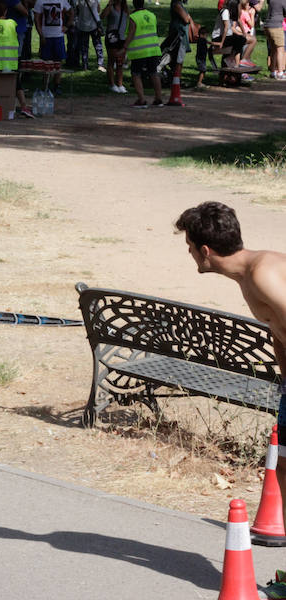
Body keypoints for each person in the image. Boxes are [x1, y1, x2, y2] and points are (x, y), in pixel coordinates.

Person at [174, 202, 286, 600]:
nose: (189, 253)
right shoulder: (252, 273)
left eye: (189, 246)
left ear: (205, 250)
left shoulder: (263, 274)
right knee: (285, 469)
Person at [123, 0, 164, 106]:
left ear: (134, 3)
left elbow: (131, 33)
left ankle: (141, 100)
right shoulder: (152, 15)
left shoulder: (134, 17)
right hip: (153, 49)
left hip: (139, 51)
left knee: (136, 74)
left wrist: (124, 47)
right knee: (154, 73)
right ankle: (158, 99)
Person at [34, 0, 72, 93]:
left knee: (58, 62)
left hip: (58, 36)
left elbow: (71, 12)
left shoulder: (62, 0)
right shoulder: (40, 1)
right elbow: (36, 19)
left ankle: (57, 85)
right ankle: (45, 85)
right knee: (46, 63)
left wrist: (67, 26)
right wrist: (41, 35)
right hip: (46, 36)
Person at [164, 0, 195, 105]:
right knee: (178, 60)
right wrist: (189, 17)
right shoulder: (176, 4)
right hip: (178, 35)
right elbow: (186, 19)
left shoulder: (179, 4)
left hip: (181, 34)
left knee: (178, 60)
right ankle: (176, 80)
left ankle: (176, 80)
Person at [101, 0, 129, 92]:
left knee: (120, 62)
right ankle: (112, 84)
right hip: (112, 37)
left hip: (121, 38)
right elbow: (102, 16)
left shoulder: (125, 9)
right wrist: (109, 4)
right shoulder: (111, 8)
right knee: (111, 61)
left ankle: (120, 84)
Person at [212, 0, 247, 67]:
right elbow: (226, 28)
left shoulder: (230, 13)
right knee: (240, 39)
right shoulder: (225, 12)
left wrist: (243, 33)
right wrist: (222, 42)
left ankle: (233, 59)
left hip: (226, 36)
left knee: (241, 39)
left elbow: (237, 20)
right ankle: (232, 59)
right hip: (218, 38)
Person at [73, 0, 105, 70]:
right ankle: (100, 64)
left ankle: (85, 65)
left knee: (84, 47)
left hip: (82, 25)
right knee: (98, 45)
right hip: (94, 24)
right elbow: (98, 10)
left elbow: (77, 10)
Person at [263, 0, 286, 79]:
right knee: (280, 49)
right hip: (276, 26)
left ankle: (273, 72)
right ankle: (280, 72)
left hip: (267, 26)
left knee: (273, 50)